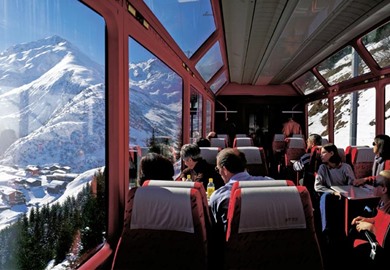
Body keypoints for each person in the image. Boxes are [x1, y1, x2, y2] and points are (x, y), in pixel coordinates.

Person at [209, 147, 274, 232]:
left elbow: (218, 228)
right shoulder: (271, 184)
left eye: (218, 169)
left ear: (224, 170)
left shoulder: (220, 196)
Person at [314, 143, 356, 245]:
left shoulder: (346, 167)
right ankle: (326, 230)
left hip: (345, 195)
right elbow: (317, 186)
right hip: (330, 194)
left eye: (324, 152)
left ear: (331, 153)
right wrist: (333, 192)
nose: (321, 155)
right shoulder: (322, 168)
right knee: (326, 197)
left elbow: (352, 183)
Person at [349, 170, 390, 267]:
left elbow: (385, 240)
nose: (372, 186)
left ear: (384, 189)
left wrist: (370, 227)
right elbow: (379, 219)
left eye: (375, 184)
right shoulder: (383, 202)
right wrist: (367, 220)